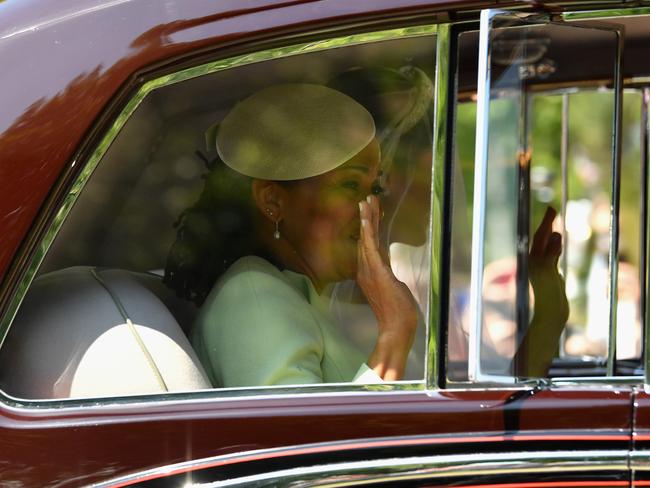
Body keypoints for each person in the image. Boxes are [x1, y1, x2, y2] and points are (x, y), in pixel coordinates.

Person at [165, 84, 418, 387]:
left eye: (374, 189)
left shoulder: (297, 295)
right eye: (350, 186)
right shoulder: (254, 296)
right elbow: (303, 434)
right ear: (273, 201)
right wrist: (395, 331)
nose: (374, 210)